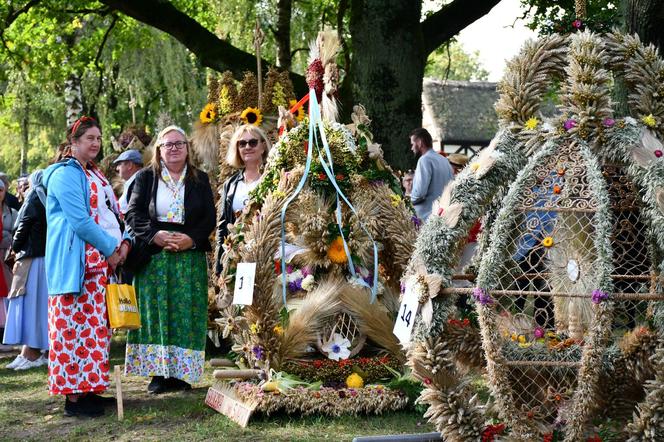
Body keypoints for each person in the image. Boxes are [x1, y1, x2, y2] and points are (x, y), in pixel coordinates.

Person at [42, 116, 129, 417]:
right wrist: (110, 249)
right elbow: (80, 222)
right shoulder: (65, 174)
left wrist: (124, 242)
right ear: (74, 142)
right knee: (71, 331)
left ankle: (91, 389)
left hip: (100, 266)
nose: (95, 143)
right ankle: (74, 399)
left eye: (98, 138)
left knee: (94, 332)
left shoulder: (97, 174)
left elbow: (113, 213)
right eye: (89, 138)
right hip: (75, 265)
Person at [124, 125, 216, 394]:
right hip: (155, 256)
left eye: (179, 143)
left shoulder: (200, 179)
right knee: (157, 312)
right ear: (159, 150)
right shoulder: (145, 178)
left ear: (187, 148)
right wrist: (156, 235)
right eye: (168, 144)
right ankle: (158, 374)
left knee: (185, 312)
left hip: (188, 256)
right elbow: (133, 215)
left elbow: (209, 218)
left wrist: (192, 239)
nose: (174, 148)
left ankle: (182, 374)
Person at [3, 170, 49, 369]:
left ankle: (33, 351)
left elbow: (22, 228)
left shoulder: (33, 200)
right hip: (39, 256)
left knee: (31, 304)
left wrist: (15, 245)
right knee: (36, 305)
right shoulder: (45, 200)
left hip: (31, 257)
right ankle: (30, 350)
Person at [214, 124, 272, 276]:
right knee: (242, 299)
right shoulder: (231, 184)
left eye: (253, 142)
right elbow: (223, 226)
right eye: (242, 143)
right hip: (238, 255)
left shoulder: (274, 178)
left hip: (269, 251)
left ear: (263, 146)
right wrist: (220, 267)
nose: (247, 147)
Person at [409, 128, 454, 221]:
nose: (412, 148)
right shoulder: (445, 160)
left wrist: (408, 201)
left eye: (412, 144)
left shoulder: (424, 160)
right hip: (443, 216)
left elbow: (420, 193)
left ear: (420, 142)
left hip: (425, 217)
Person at [0, 179, 19, 352]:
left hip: (6, 257)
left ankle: (5, 336)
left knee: (6, 295)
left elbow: (16, 231)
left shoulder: (11, 211)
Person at [113, 149, 144, 216]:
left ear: (130, 165)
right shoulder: (135, 182)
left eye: (119, 164)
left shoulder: (139, 184)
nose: (117, 168)